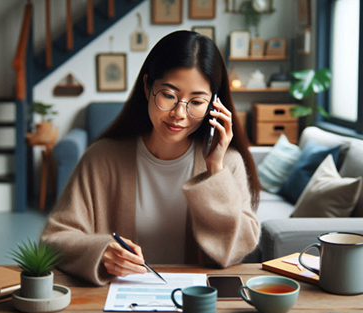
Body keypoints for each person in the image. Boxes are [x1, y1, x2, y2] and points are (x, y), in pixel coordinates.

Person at [41, 30, 260, 286]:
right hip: (117, 304)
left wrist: (215, 171)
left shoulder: (226, 163)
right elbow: (53, 239)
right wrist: (101, 252)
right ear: (147, 87)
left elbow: (233, 251)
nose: (179, 113)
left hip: (196, 304)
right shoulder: (102, 158)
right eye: (168, 95)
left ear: (214, 104)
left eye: (197, 101)